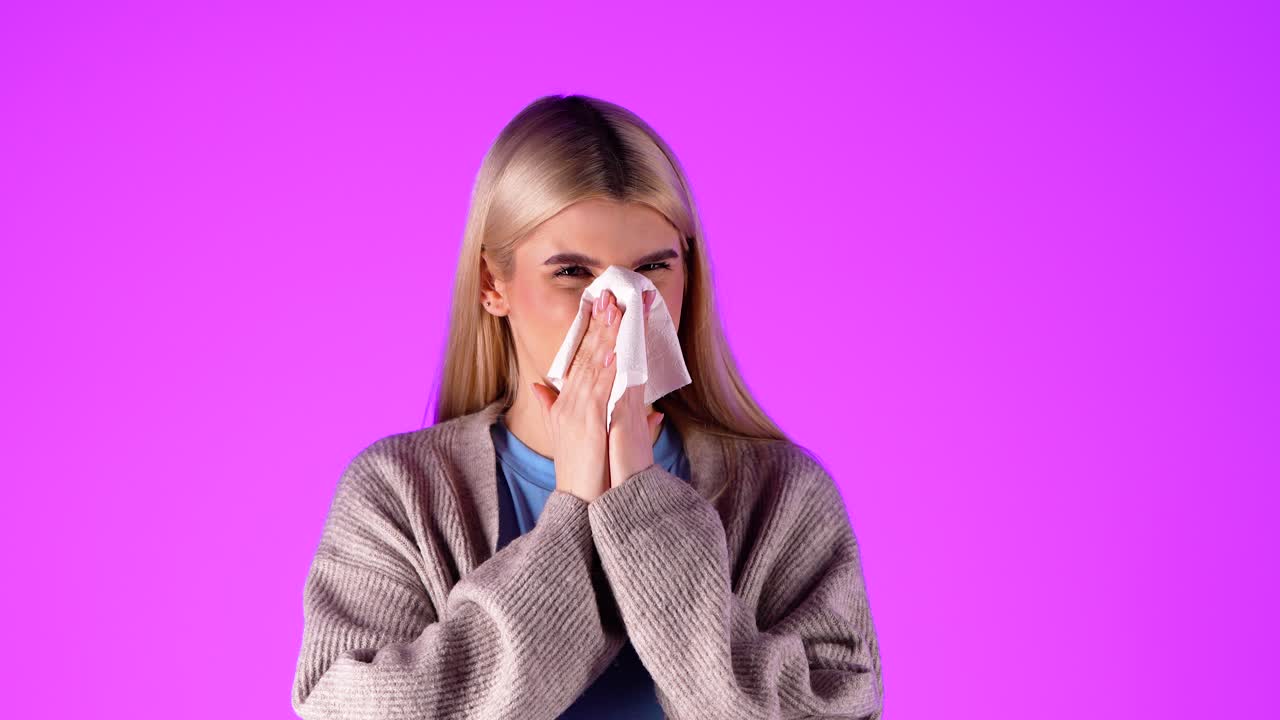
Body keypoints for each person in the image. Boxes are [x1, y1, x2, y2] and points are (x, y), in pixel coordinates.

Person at [290, 93, 884, 719]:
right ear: (494, 284)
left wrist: (640, 505)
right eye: (572, 272)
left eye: (652, 267)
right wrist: (572, 514)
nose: (619, 307)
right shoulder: (398, 494)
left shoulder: (784, 496)